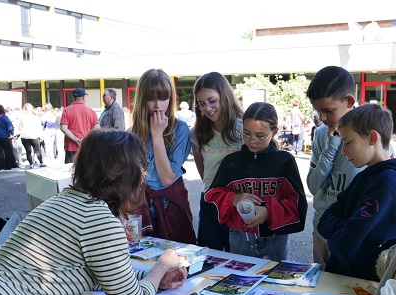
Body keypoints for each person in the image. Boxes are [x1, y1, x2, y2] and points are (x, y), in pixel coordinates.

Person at [0, 129, 187, 295]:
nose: (145, 174)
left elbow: (97, 273)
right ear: (127, 175)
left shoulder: (59, 202)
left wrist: (156, 280)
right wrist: (161, 266)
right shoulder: (100, 220)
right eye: (142, 166)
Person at [317, 104, 396, 281]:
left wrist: (342, 228)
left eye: (348, 142)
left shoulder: (387, 182)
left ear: (372, 137)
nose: (343, 151)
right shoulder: (365, 177)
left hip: (365, 284)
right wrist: (347, 227)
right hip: (351, 280)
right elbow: (324, 220)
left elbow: (347, 245)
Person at [306, 65, 395, 270]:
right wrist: (331, 147)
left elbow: (385, 189)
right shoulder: (322, 134)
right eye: (318, 111)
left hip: (355, 232)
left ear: (349, 101)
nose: (322, 117)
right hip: (322, 227)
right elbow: (312, 186)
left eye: (328, 110)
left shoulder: (370, 133)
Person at [204, 102, 307, 261]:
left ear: (274, 132)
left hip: (276, 236)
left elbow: (298, 205)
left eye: (260, 136)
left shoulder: (285, 161)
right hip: (240, 236)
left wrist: (268, 212)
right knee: (240, 279)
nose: (252, 140)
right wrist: (233, 199)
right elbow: (212, 197)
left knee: (274, 280)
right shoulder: (231, 162)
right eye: (247, 133)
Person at [131, 68, 196, 244]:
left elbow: (167, 178)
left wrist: (157, 135)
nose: (158, 105)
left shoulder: (180, 129)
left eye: (163, 98)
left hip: (171, 204)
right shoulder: (133, 133)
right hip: (140, 204)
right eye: (152, 99)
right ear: (142, 100)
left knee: (178, 259)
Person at [190, 71, 244, 251]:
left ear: (225, 96)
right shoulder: (198, 132)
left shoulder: (243, 127)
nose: (207, 108)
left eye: (212, 101)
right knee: (207, 258)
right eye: (201, 104)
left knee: (237, 259)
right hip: (210, 202)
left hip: (238, 202)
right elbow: (203, 170)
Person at [60, 87, 100, 163]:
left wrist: (76, 139)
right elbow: (97, 128)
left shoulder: (66, 110)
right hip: (86, 147)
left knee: (70, 172)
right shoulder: (91, 111)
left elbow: (63, 128)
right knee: (86, 172)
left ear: (73, 97)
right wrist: (85, 139)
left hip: (71, 148)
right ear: (84, 97)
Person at [19, 103, 46, 168]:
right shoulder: (35, 117)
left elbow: (20, 127)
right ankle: (41, 163)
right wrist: (41, 136)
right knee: (37, 150)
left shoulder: (22, 117)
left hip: (25, 136)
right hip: (34, 135)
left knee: (28, 151)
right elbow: (39, 127)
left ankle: (31, 164)